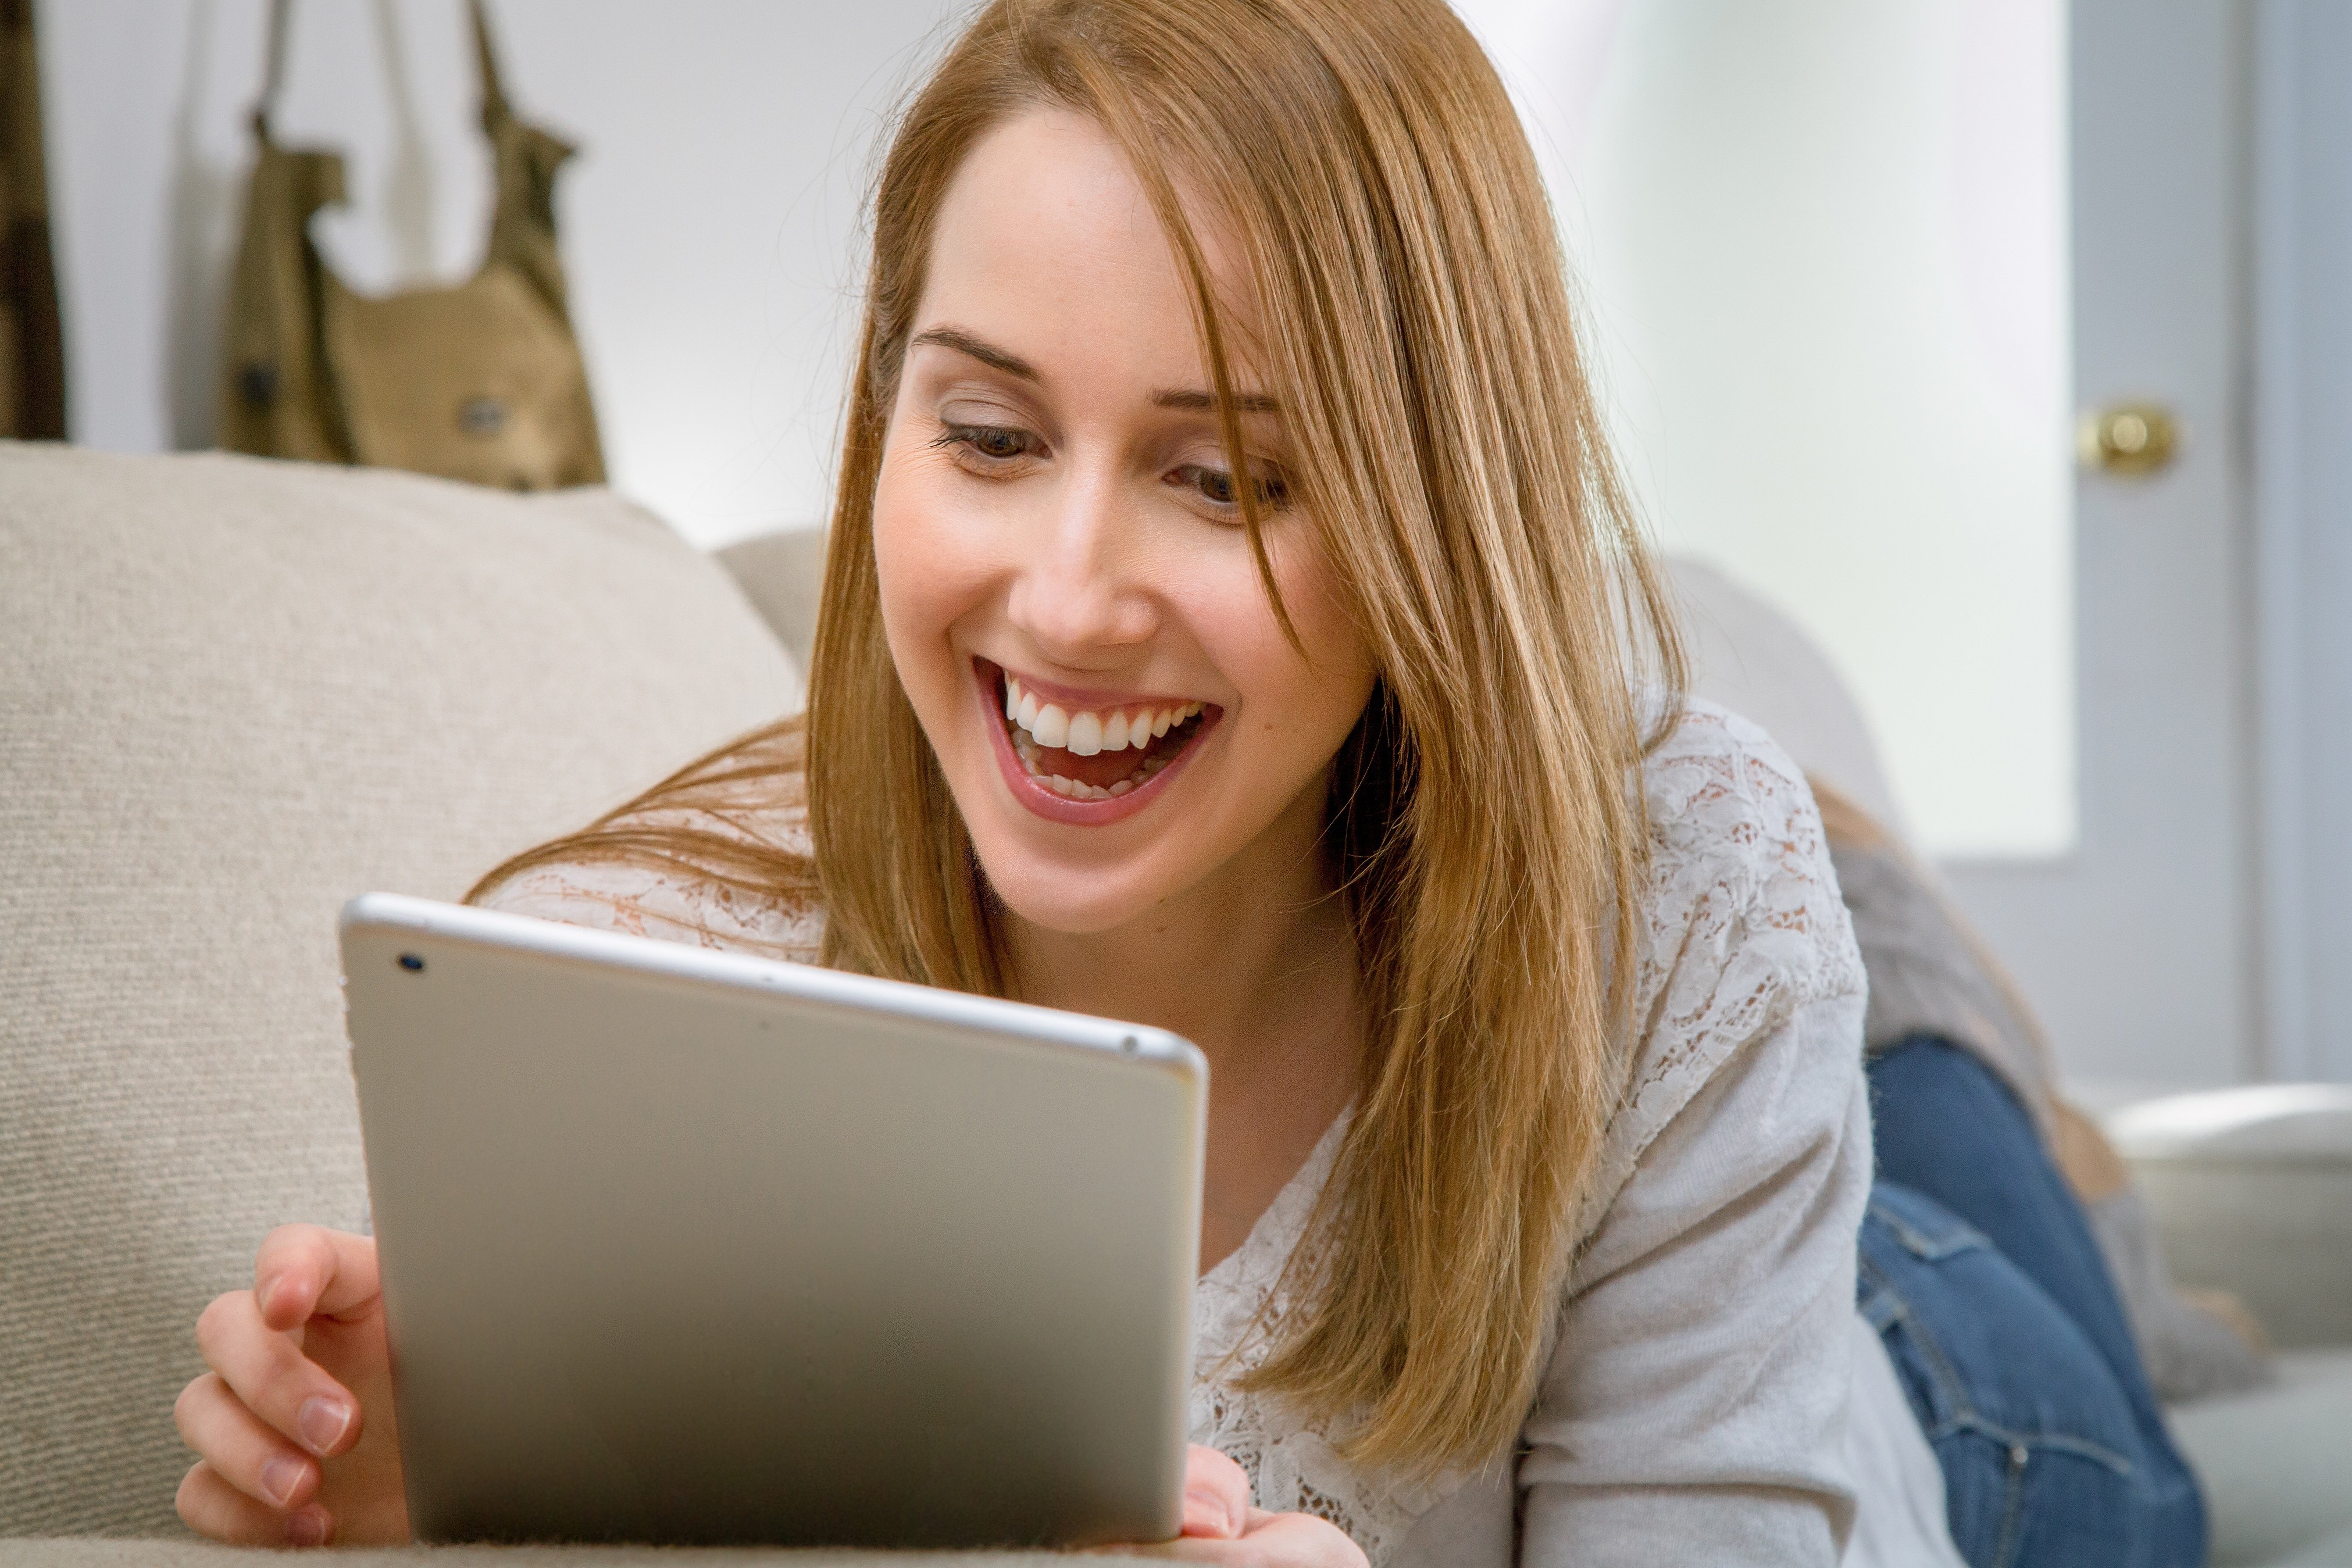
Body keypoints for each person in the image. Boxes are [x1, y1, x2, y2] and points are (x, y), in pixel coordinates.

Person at [170, 0, 2004, 1561]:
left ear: (1434, 521)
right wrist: (416, 1489)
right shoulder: (643, 974)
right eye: (988, 434)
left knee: (1954, 1147)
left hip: (1944, 1388)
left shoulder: (1685, 910)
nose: (1063, 602)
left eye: (1224, 480)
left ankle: (1939, 1009)